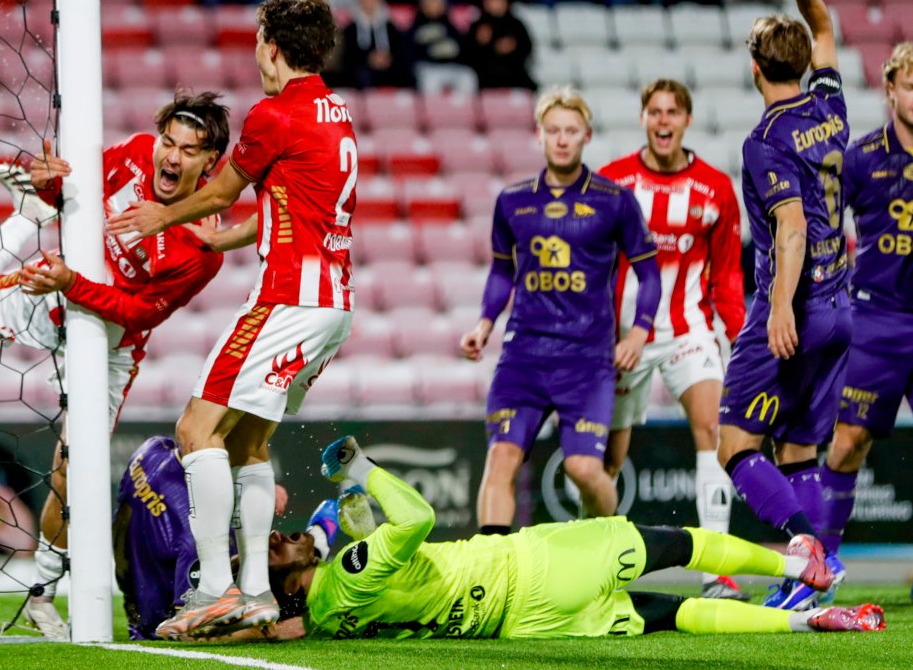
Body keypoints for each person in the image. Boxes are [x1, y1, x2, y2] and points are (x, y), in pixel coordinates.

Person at [0, 90, 232, 639]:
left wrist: (75, 282)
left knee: (75, 470)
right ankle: (22, 223)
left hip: (111, 343)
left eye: (190, 150)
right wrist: (48, 185)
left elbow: (139, 312)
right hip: (54, 296)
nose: (172, 157)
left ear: (210, 164)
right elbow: (72, 194)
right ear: (157, 141)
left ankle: (41, 594)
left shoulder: (201, 244)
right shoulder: (133, 154)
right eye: (169, 142)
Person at [105, 0, 356, 639]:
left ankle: (213, 586)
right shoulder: (335, 112)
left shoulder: (276, 113)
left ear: (271, 47)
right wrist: (226, 237)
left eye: (256, 42)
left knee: (195, 429)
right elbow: (290, 204)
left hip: (287, 298)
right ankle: (254, 595)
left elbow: (222, 187)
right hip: (332, 304)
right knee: (247, 441)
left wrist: (163, 214)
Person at [263, 436, 884, 640]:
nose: (282, 536)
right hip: (532, 565)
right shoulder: (349, 573)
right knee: (677, 544)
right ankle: (799, 567)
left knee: (672, 616)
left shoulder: (323, 614)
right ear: (289, 582)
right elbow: (419, 519)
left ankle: (812, 622)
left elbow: (341, 557)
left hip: (527, 623)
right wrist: (363, 469)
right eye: (274, 548)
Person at [459, 87, 661, 531]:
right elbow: (501, 273)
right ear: (540, 135)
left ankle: (609, 548)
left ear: (586, 135)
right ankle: (492, 577)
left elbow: (650, 273)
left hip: (586, 361)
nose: (562, 139)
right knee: (501, 459)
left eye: (571, 131)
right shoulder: (512, 201)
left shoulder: (614, 200)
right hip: (523, 358)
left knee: (585, 469)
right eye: (554, 131)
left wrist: (638, 332)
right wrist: (484, 324)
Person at [716, 0, 850, 612]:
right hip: (841, 304)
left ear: (754, 68)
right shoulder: (831, 101)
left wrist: (775, 309)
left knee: (735, 444)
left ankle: (806, 550)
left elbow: (790, 227)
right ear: (800, 61)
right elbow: (825, 28)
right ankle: (812, 583)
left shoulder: (764, 138)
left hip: (796, 306)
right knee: (798, 446)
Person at [599, 79, 747, 601]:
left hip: (689, 330)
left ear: (686, 120)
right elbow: (593, 264)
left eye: (673, 112)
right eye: (654, 112)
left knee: (714, 431)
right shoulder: (613, 183)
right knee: (606, 458)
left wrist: (738, 334)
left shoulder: (714, 188)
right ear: (643, 118)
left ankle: (717, 573)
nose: (663, 121)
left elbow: (728, 275)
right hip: (623, 337)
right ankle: (591, 571)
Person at [818, 43, 913, 567]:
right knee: (850, 437)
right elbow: (825, 227)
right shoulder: (861, 156)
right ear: (891, 90)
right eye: (911, 84)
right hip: (877, 317)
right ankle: (823, 561)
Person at [113, 435, 332, 640]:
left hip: (138, 601)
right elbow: (185, 634)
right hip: (155, 626)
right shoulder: (201, 541)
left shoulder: (153, 449)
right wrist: (272, 633)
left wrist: (249, 489)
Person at [334, 0, 414, 89]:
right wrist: (369, 59)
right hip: (361, 76)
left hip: (389, 72)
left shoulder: (390, 27)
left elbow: (401, 53)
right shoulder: (350, 29)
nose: (369, 1)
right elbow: (347, 58)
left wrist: (387, 58)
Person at [461, 0, 535, 90]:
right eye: (491, 0)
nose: (495, 5)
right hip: (486, 75)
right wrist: (480, 43)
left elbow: (527, 48)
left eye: (498, 0)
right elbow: (467, 54)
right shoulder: (478, 26)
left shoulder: (516, 24)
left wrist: (513, 48)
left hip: (514, 73)